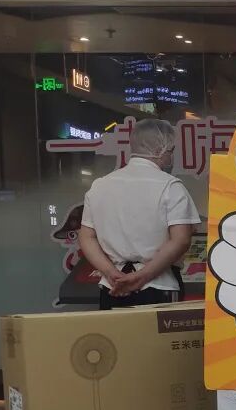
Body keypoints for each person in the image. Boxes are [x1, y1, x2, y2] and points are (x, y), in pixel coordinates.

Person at [79, 118, 201, 308]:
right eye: (171, 151)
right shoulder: (170, 187)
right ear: (160, 150)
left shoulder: (100, 186)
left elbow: (86, 237)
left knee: (115, 329)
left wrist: (111, 273)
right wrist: (141, 277)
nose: (171, 157)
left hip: (112, 287)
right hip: (159, 285)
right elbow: (181, 240)